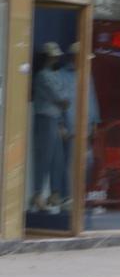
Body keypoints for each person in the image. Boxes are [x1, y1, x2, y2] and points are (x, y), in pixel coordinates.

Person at [30, 42, 70, 213]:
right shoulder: (43, 76)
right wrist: (62, 101)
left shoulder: (53, 75)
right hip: (45, 119)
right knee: (44, 158)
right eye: (54, 56)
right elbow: (60, 97)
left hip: (54, 119)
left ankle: (54, 194)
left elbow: (64, 98)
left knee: (57, 159)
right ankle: (38, 194)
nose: (56, 58)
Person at [63, 41, 100, 202]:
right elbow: (61, 102)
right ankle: (70, 197)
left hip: (86, 127)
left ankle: (81, 195)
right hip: (71, 127)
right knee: (70, 163)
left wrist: (95, 122)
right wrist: (62, 124)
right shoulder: (63, 75)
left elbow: (91, 98)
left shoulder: (87, 75)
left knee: (88, 162)